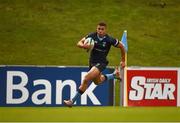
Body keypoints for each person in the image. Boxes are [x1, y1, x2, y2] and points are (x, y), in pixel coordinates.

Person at [64, 22, 125, 107]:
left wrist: (123, 60)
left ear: (105, 30)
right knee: (98, 81)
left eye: (102, 29)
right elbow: (79, 43)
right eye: (98, 29)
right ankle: (114, 75)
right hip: (92, 62)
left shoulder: (109, 39)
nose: (100, 31)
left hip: (101, 63)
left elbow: (122, 46)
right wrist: (84, 46)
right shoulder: (92, 35)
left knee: (86, 79)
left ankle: (72, 101)